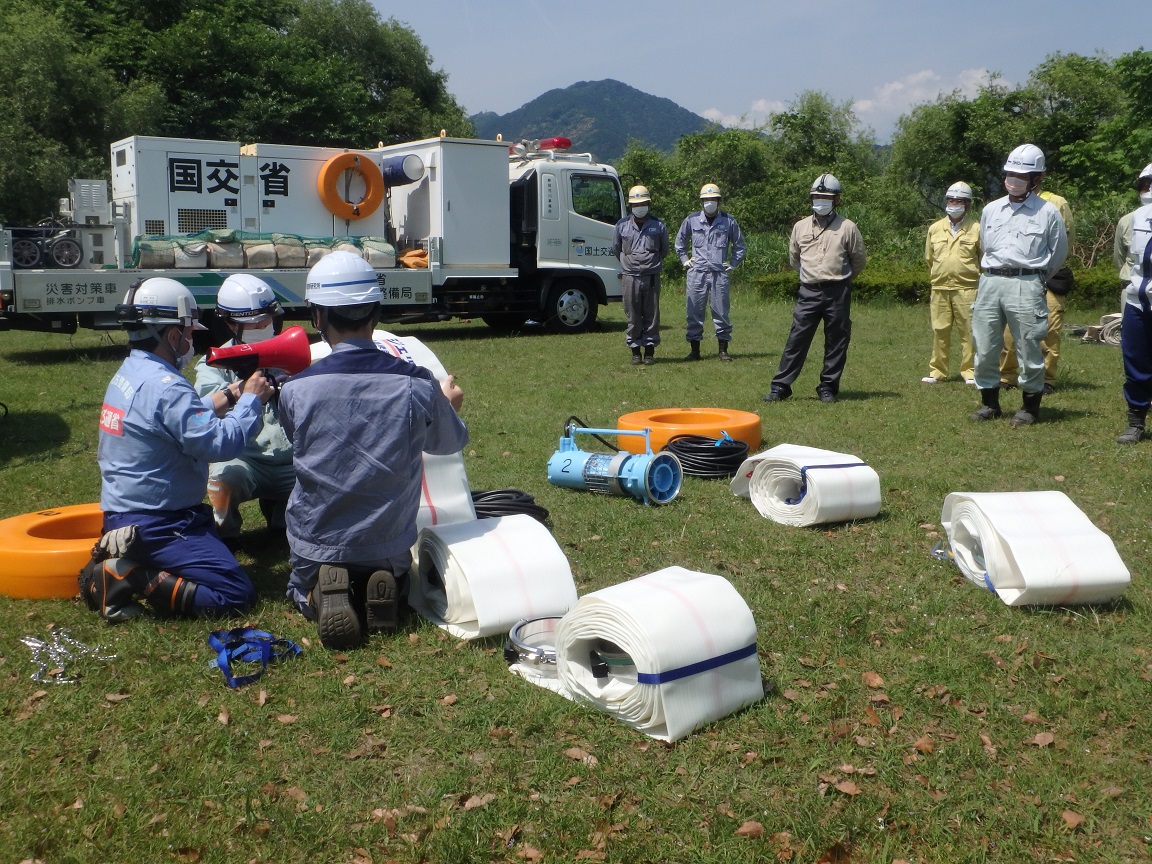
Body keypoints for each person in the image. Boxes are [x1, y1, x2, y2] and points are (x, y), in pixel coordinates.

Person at [279, 251, 469, 649]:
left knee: (303, 582)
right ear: (376, 314)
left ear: (317, 318)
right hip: (388, 545)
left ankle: (316, 594)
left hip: (317, 543)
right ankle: (385, 587)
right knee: (390, 567)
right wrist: (447, 403)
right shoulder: (417, 385)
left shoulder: (295, 389)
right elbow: (448, 443)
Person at [78, 277, 273, 622]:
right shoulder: (168, 387)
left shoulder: (135, 372)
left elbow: (181, 421)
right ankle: (128, 576)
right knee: (234, 593)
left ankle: (130, 562)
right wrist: (252, 402)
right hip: (158, 522)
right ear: (171, 336)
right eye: (188, 333)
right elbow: (218, 443)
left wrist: (230, 394)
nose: (191, 341)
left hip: (129, 514)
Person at [969, 144, 1068, 427]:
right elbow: (986, 247)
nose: (1014, 180)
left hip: (1026, 282)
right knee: (985, 345)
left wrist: (1033, 275)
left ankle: (1030, 407)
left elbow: (1058, 253)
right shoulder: (991, 209)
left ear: (1038, 178)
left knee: (1028, 347)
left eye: (1022, 175)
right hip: (990, 281)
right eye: (1010, 174)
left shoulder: (1048, 213)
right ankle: (990, 403)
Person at [193, 274, 295, 540]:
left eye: (267, 320)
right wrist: (242, 390)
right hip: (244, 458)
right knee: (223, 481)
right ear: (229, 324)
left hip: (292, 460)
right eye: (253, 323)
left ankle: (281, 519)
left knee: (323, 476)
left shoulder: (292, 352)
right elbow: (206, 408)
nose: (263, 326)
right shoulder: (213, 364)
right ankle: (225, 535)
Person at [763, 173, 867, 403]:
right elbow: (794, 258)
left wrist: (843, 279)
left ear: (837, 200)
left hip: (838, 291)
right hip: (808, 291)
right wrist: (811, 275)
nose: (821, 200)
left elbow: (858, 259)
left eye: (826, 196)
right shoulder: (800, 227)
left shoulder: (847, 227)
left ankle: (828, 386)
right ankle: (781, 386)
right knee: (796, 339)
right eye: (817, 196)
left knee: (836, 340)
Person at [999, 177, 1074, 395]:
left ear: (1038, 177)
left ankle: (1047, 379)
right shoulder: (1007, 203)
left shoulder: (1057, 203)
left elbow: (1067, 240)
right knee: (1009, 330)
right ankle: (1007, 375)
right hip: (1017, 276)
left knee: (1049, 328)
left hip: (1049, 275)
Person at [675, 183, 746, 361]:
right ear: (701, 201)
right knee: (693, 312)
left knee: (721, 312)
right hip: (696, 273)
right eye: (706, 200)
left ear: (718, 201)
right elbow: (680, 242)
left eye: (713, 199)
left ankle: (723, 350)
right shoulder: (691, 220)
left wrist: (734, 263)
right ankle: (694, 350)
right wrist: (685, 260)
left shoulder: (728, 221)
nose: (710, 202)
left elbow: (739, 244)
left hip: (718, 273)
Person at [922, 181, 981, 385]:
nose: (954, 204)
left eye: (959, 201)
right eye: (951, 200)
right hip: (939, 288)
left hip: (968, 289)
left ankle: (970, 371)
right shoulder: (935, 229)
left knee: (969, 332)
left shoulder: (976, 229)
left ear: (968, 205)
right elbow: (930, 258)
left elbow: (983, 259)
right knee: (940, 331)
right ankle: (937, 371)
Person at [1115, 167, 1152, 444]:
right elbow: (1124, 261)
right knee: (1135, 362)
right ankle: (1136, 420)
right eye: (1145, 184)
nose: (1148, 189)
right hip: (1138, 302)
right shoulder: (1134, 219)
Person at [612, 185, 669, 365]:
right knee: (633, 314)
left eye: (643, 203)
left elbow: (664, 250)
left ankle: (650, 352)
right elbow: (616, 248)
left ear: (649, 203)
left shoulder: (659, 225)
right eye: (636, 204)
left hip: (651, 276)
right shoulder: (621, 226)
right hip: (630, 276)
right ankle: (635, 351)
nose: (640, 206)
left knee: (651, 315)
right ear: (630, 206)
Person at [1114, 164, 1152, 296]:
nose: (1148, 192)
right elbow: (1119, 257)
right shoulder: (1126, 221)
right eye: (1145, 188)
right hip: (1131, 284)